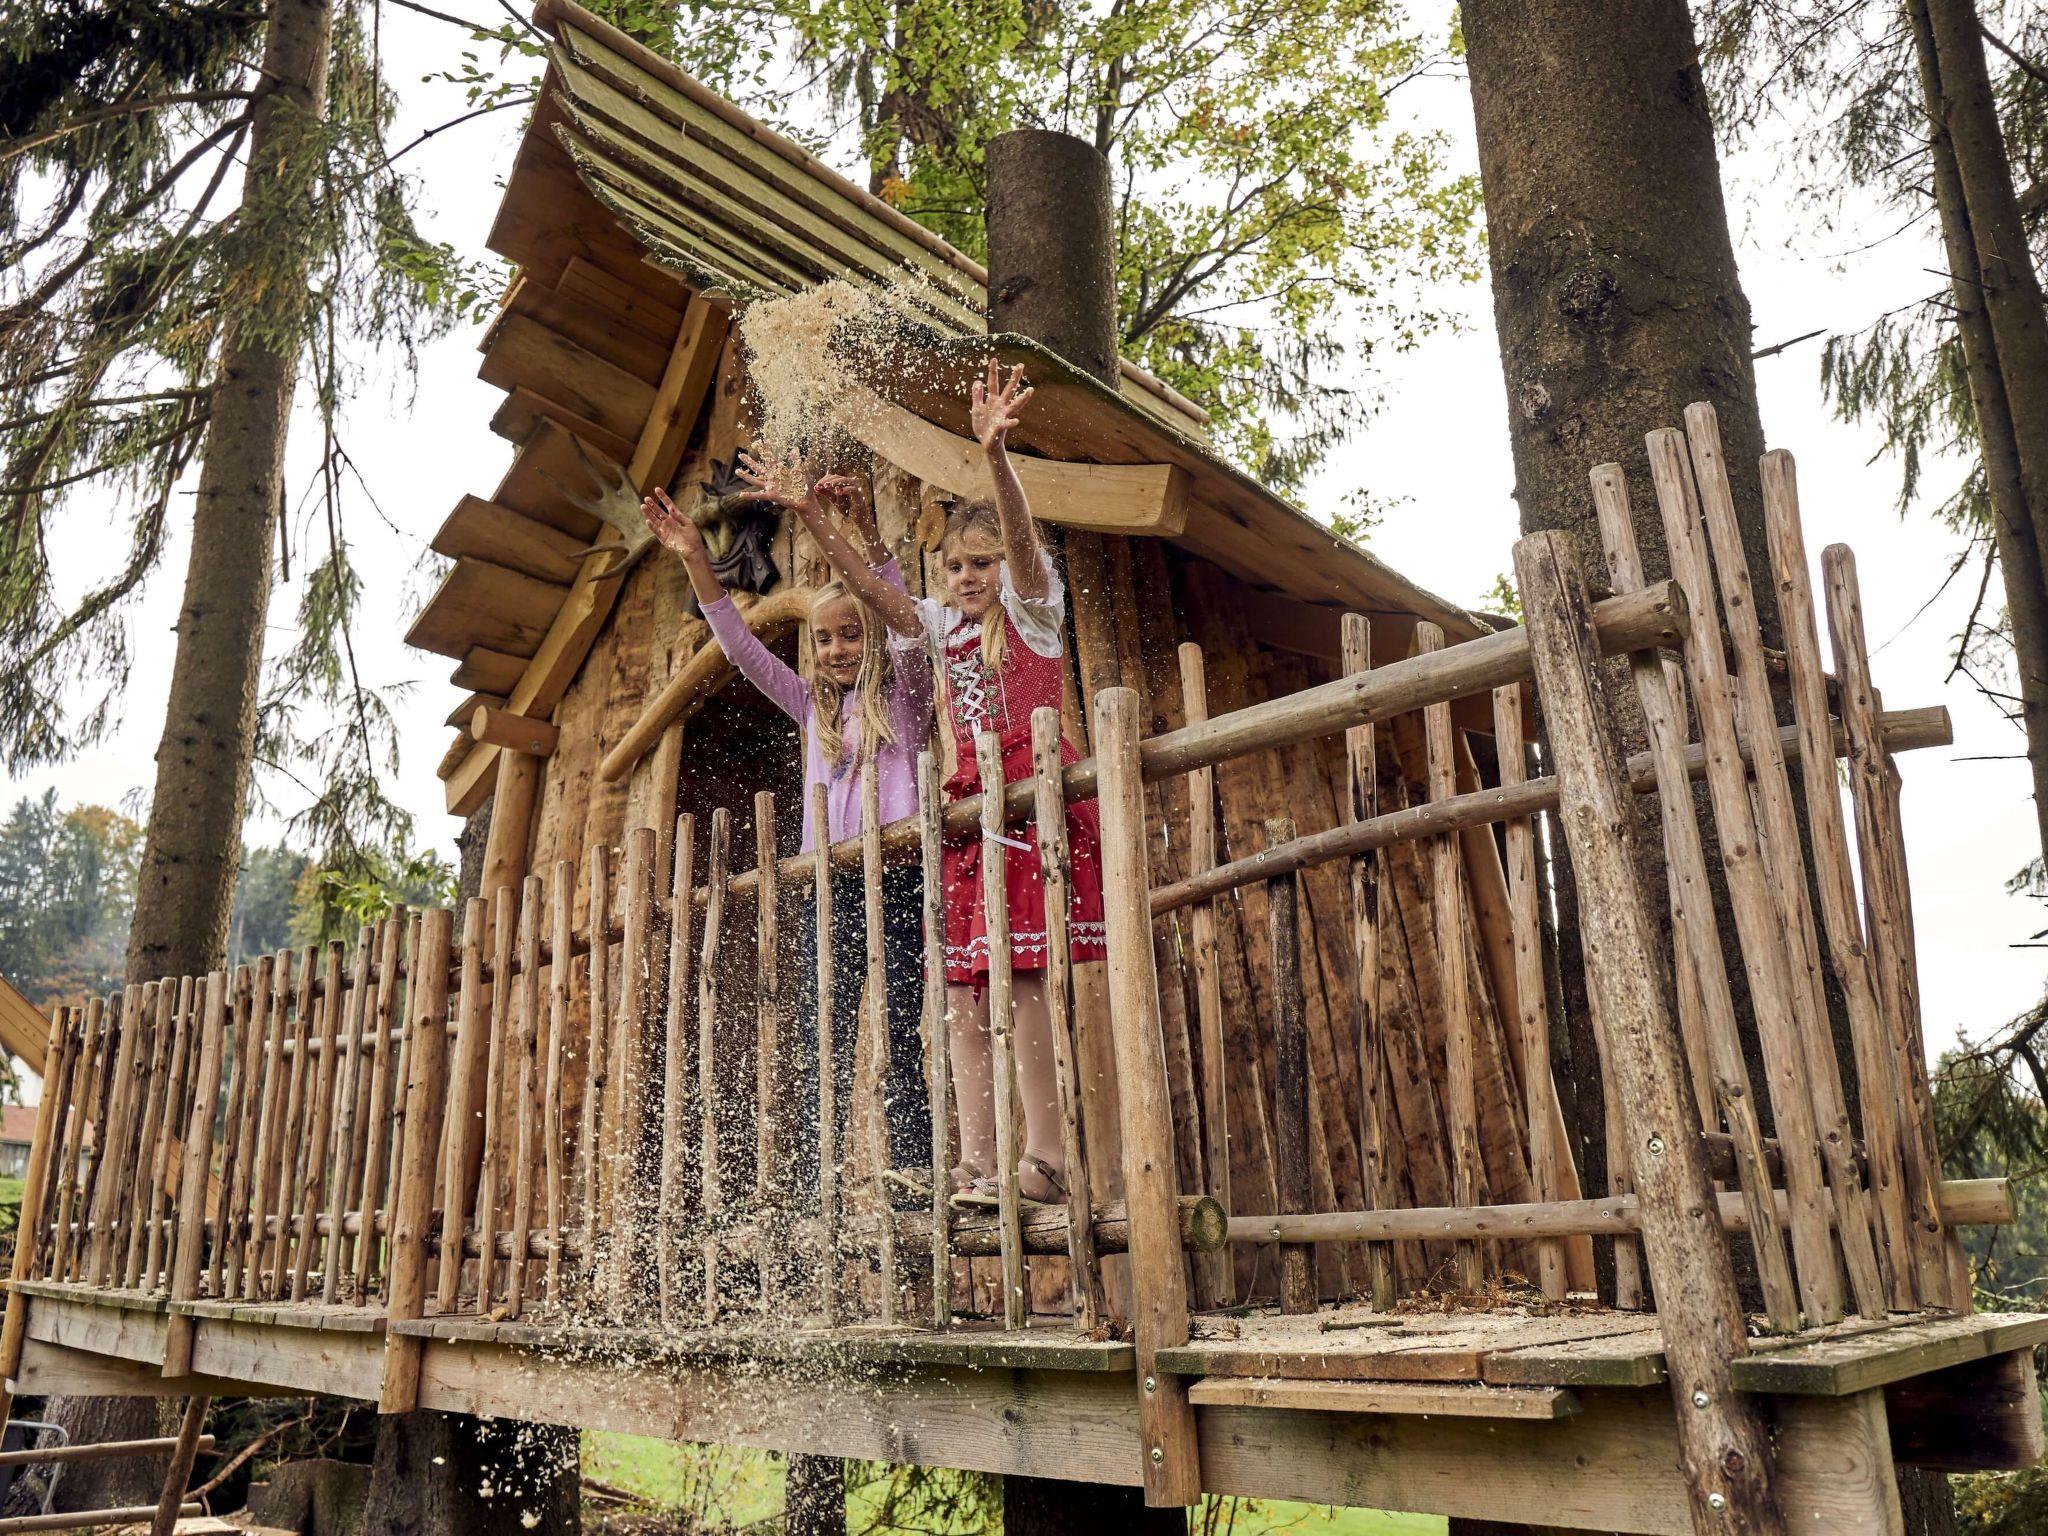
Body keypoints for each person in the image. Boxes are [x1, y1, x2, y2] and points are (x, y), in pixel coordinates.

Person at [741, 361, 1104, 1206]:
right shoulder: (941, 628)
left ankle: (1046, 1157)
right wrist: (813, 516)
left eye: (981, 563)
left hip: (1030, 806)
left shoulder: (1034, 615)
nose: (967, 577)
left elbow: (1024, 548)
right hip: (969, 816)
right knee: (959, 994)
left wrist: (995, 459)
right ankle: (976, 1161)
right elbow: (875, 593)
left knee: (1024, 981)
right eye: (953, 566)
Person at [640, 474, 933, 1199]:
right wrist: (695, 559)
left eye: (850, 634)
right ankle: (812, 1186)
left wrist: (864, 531)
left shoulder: (906, 694)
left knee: (901, 1025)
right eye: (824, 638)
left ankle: (916, 1173)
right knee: (821, 1036)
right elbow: (739, 647)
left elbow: (900, 616)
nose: (836, 650)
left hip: (900, 877)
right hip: (828, 890)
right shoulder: (808, 708)